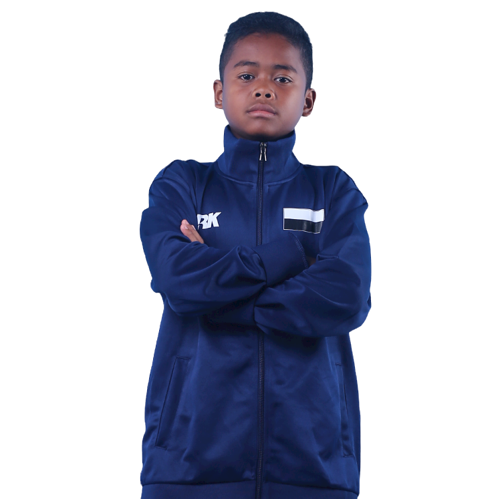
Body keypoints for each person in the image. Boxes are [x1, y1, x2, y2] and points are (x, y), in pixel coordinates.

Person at [139, 11, 371, 499]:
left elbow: (347, 296)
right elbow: (177, 278)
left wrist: (216, 295)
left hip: (315, 466)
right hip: (186, 465)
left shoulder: (333, 189)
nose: (264, 88)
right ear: (219, 92)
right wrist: (294, 256)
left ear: (308, 100)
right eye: (246, 76)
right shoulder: (182, 182)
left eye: (282, 78)